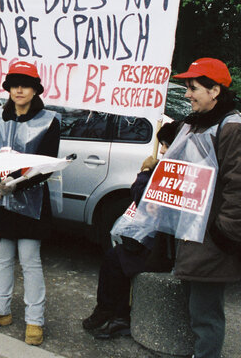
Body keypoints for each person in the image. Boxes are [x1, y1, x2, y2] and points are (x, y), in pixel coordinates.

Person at [168, 58, 241, 358]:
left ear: (215, 91)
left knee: (205, 316)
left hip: (212, 240)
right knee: (197, 309)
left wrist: (224, 234)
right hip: (194, 235)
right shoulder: (197, 124)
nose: (186, 95)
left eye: (193, 88)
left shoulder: (235, 130)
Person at [0, 61, 61, 346]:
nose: (19, 90)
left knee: (29, 260)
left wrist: (17, 184)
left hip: (30, 201)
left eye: (25, 84)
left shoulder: (49, 120)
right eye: (14, 84)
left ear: (36, 89)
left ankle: (35, 319)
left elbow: (47, 164)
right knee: (1, 257)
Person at [82, 120, 180, 339]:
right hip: (157, 241)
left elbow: (144, 200)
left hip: (167, 248)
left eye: (166, 144)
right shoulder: (170, 167)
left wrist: (146, 171)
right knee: (114, 257)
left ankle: (116, 315)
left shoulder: (177, 171)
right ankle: (111, 312)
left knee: (116, 261)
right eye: (161, 144)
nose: (162, 150)